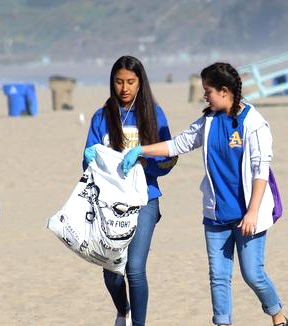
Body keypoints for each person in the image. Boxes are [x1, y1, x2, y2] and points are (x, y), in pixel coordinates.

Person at [117, 62, 288, 326]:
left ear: (224, 91)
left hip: (247, 215)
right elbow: (179, 144)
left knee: (253, 274)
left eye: (207, 91)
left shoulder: (254, 123)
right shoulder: (208, 120)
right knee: (218, 277)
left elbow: (260, 171)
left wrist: (253, 211)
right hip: (216, 213)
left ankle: (277, 315)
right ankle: (222, 322)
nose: (204, 96)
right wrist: (141, 150)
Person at [82, 55, 177, 326]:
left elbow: (169, 159)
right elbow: (87, 161)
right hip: (107, 203)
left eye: (131, 82)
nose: (124, 88)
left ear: (140, 83)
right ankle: (122, 308)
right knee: (112, 269)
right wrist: (88, 158)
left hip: (145, 198)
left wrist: (147, 162)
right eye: (119, 82)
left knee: (134, 269)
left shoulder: (154, 114)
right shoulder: (101, 117)